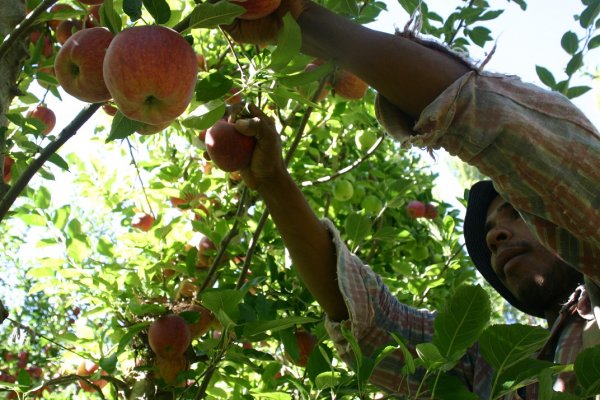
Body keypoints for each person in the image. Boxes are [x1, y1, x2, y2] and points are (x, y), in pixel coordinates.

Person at [223, 0, 600, 396]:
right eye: (492, 231)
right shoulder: (489, 365)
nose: (496, 236)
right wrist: (272, 181)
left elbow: (552, 160)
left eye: (516, 212)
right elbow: (373, 325)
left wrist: (302, 22)